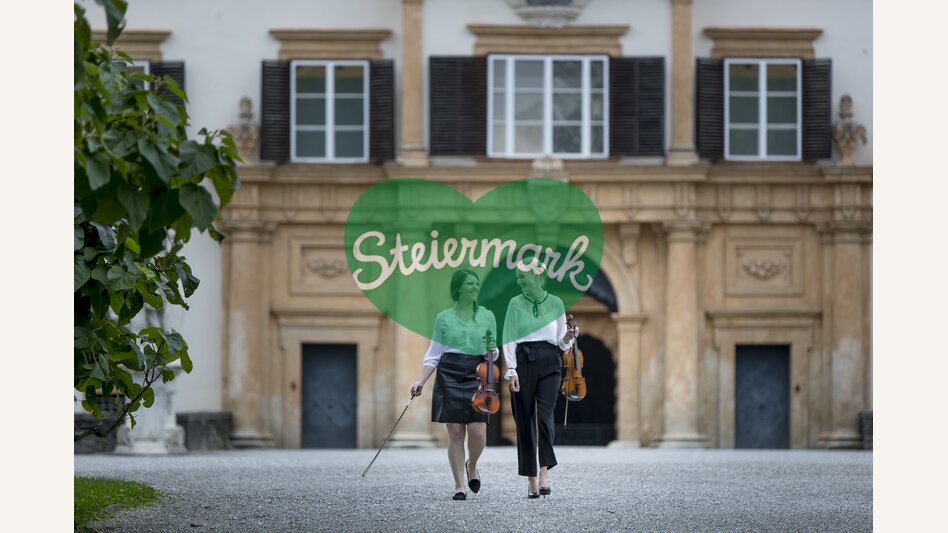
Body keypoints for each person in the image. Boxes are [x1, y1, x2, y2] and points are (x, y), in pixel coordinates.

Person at [411, 269, 499, 501]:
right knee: (456, 432)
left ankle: (472, 466)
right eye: (470, 284)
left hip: (476, 372)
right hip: (449, 372)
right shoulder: (443, 318)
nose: (474, 288)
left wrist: (493, 350)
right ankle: (459, 485)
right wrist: (420, 381)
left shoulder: (487, 316)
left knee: (478, 431)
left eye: (476, 284)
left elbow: (494, 351)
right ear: (458, 288)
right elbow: (434, 354)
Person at [502, 260, 576, 499]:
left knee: (544, 417)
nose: (519, 282)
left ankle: (545, 472)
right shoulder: (514, 303)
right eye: (518, 278)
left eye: (522, 278)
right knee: (523, 420)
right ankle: (531, 478)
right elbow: (509, 338)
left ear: (537, 277)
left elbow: (561, 342)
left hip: (550, 362)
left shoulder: (556, 302)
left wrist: (569, 336)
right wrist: (511, 369)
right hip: (523, 361)